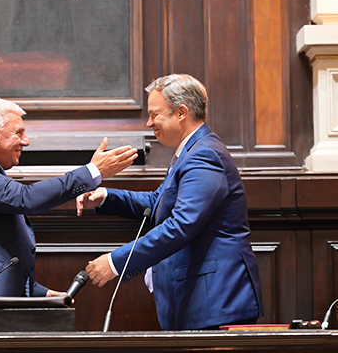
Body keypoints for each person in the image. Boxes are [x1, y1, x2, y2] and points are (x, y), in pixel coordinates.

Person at [0, 97, 138, 331]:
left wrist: (39, 293)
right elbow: (25, 198)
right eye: (19, 133)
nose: (25, 141)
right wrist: (92, 172)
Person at [76, 74, 264, 330]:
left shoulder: (204, 155)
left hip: (215, 303)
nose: (149, 123)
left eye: (155, 114)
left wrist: (115, 262)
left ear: (181, 112)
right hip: (202, 302)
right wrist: (105, 197)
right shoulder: (192, 151)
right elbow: (159, 201)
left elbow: (181, 225)